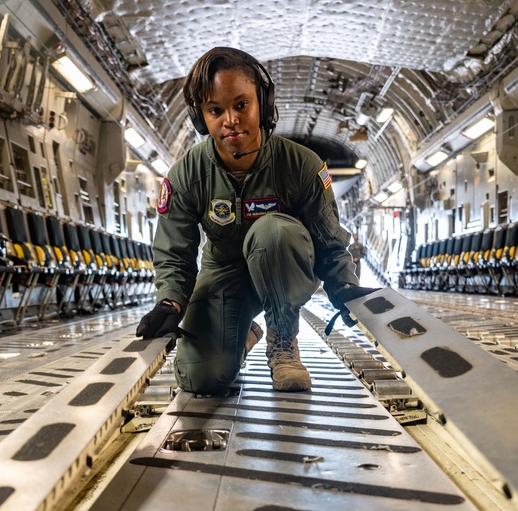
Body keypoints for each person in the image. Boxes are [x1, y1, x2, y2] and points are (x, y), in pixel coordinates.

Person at [135, 46, 376, 394]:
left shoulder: (303, 166)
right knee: (199, 378)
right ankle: (243, 337)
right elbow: (175, 253)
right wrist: (170, 300)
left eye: (241, 105)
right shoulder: (187, 173)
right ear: (201, 118)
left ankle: (282, 341)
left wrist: (344, 285)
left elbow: (328, 240)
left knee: (273, 231)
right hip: (225, 274)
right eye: (215, 110)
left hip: (282, 263)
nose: (230, 119)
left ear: (262, 102)